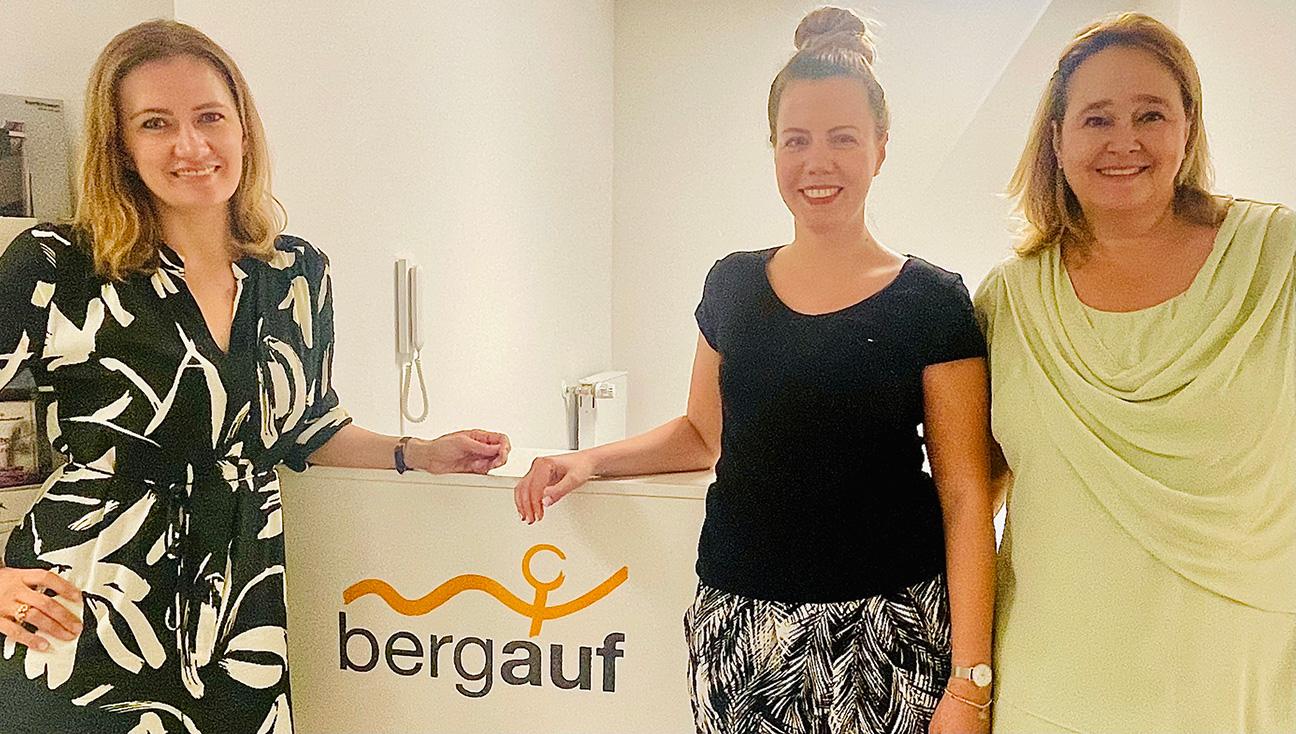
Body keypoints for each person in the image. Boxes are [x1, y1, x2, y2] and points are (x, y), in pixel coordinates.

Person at [0, 20, 510, 733]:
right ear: (120, 146)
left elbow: (306, 427)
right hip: (84, 604)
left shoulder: (296, 271)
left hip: (242, 608)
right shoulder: (58, 263)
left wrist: (416, 453)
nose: (190, 146)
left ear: (243, 129)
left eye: (210, 117)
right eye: (155, 123)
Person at [515, 7, 995, 733]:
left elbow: (965, 497)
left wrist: (970, 683)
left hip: (892, 630)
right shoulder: (733, 285)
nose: (817, 162)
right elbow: (699, 434)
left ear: (881, 148)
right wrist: (588, 460)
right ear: (773, 149)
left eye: (842, 138)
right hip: (740, 630)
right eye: (796, 140)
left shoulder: (932, 301)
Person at [975, 12, 1295, 733]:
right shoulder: (1009, 300)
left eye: (1151, 114)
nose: (1125, 141)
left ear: (1189, 127)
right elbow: (972, 495)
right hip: (1052, 688)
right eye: (1097, 118)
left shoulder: (1279, 258)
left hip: (1238, 688)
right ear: (1057, 139)